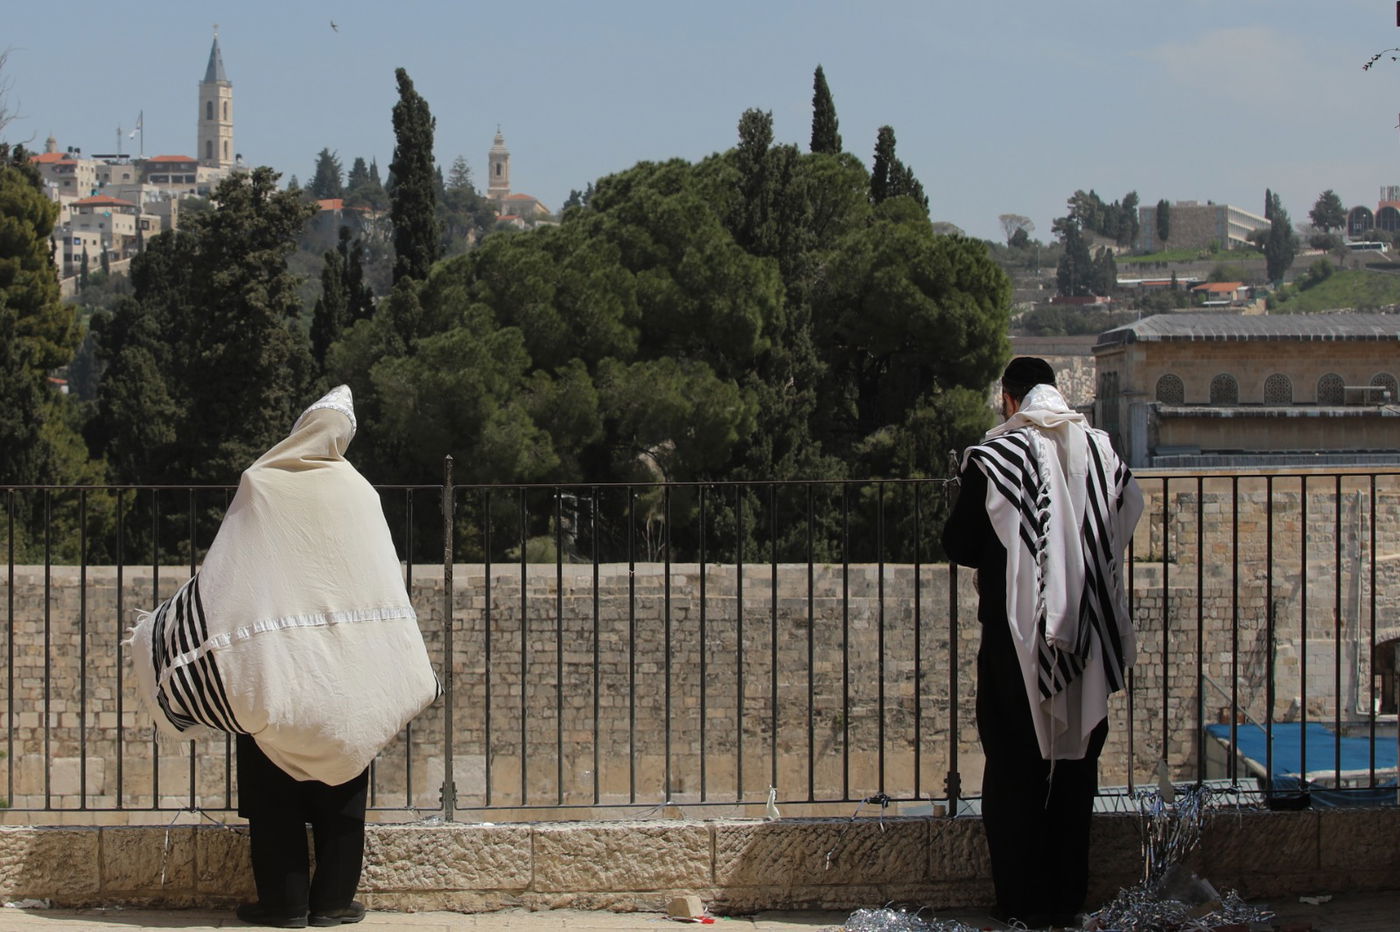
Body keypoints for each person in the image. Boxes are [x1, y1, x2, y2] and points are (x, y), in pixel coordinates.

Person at [129, 386, 440, 929]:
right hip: (349, 671)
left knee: (274, 797)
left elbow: (228, 577)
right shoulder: (361, 495)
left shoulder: (263, 481)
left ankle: (284, 905)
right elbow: (379, 583)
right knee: (344, 795)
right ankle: (334, 903)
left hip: (279, 668)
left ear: (301, 428)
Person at [942, 358, 1142, 928]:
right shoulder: (1102, 451)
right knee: (1077, 768)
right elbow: (1124, 514)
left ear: (1009, 399)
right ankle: (1066, 897)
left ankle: (1022, 902)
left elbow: (959, 542)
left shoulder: (996, 457)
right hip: (1090, 628)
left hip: (1016, 638)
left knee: (1014, 766)